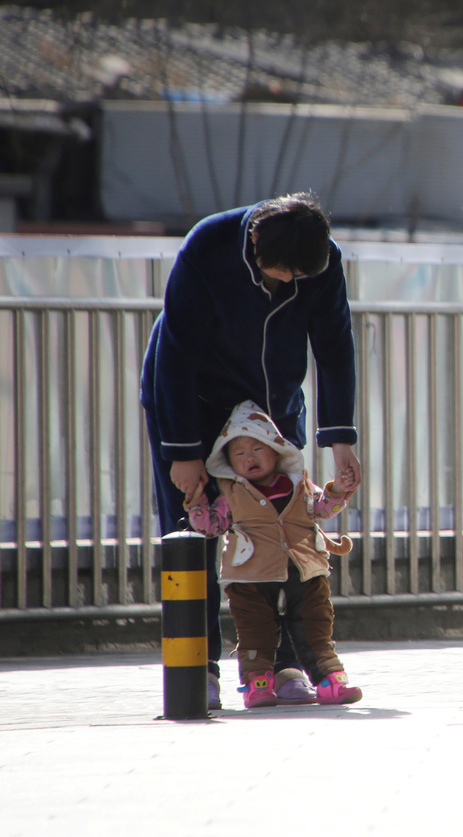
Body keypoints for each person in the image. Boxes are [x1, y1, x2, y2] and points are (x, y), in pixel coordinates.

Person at [140, 192, 362, 709]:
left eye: (299, 275)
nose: (290, 281)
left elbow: (334, 344)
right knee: (191, 528)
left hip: (270, 411)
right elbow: (175, 352)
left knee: (283, 529)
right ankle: (197, 665)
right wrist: (184, 451)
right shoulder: (208, 244)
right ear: (257, 239)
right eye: (283, 271)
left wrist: (341, 439)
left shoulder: (320, 258)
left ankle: (281, 666)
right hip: (193, 402)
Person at [186, 401, 363, 707]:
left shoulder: (298, 484)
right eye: (239, 453)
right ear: (228, 463)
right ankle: (258, 684)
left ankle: (330, 679)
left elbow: (323, 508)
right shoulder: (232, 494)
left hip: (304, 570)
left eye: (258, 448)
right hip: (250, 576)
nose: (249, 457)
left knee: (315, 627)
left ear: (277, 452)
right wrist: (195, 504)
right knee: (255, 631)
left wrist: (337, 490)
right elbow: (211, 526)